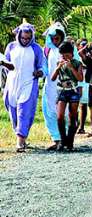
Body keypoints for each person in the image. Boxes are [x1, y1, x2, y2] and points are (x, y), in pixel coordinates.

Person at [1, 21, 44, 152]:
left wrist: (39, 72)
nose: (25, 40)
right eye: (23, 38)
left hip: (29, 84)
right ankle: (22, 138)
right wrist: (4, 63)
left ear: (32, 37)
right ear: (18, 35)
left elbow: (42, 67)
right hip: (12, 84)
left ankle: (19, 142)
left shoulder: (36, 49)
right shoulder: (11, 47)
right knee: (13, 112)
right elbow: (9, 65)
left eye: (28, 38)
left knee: (24, 111)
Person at [42, 22, 79, 150]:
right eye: (52, 38)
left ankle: (69, 141)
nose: (54, 40)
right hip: (53, 87)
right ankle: (58, 140)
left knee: (71, 115)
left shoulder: (70, 49)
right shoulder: (47, 49)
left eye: (57, 38)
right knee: (52, 113)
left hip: (71, 88)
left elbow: (78, 70)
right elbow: (45, 66)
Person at [51, 41, 84, 151]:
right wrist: (58, 68)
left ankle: (70, 142)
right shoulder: (59, 63)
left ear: (72, 54)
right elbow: (53, 78)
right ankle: (63, 140)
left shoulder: (77, 63)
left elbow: (80, 78)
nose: (65, 57)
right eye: (63, 55)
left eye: (67, 55)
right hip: (62, 91)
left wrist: (71, 67)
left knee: (72, 116)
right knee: (60, 116)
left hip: (73, 91)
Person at [76, 38, 89, 134]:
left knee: (84, 104)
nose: (85, 46)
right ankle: (75, 125)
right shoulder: (75, 55)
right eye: (82, 44)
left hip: (86, 81)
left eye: (86, 45)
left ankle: (82, 126)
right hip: (76, 81)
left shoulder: (89, 55)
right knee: (74, 104)